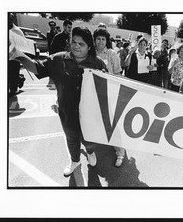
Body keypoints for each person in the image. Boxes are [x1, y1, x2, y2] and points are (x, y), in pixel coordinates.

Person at [16, 26, 108, 177]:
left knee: (90, 141)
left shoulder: (98, 63)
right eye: (74, 42)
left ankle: (90, 152)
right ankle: (75, 161)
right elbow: (37, 68)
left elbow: (108, 87)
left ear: (89, 46)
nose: (76, 46)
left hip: (91, 114)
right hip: (67, 111)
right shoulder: (58, 59)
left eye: (81, 44)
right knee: (71, 138)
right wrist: (19, 55)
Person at [93, 28, 125, 167]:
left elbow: (118, 73)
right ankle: (92, 148)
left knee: (114, 123)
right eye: (98, 38)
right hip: (93, 93)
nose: (100, 42)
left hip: (109, 92)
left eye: (103, 39)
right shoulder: (90, 53)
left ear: (107, 41)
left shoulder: (112, 54)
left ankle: (120, 152)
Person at [8, 13, 26, 97]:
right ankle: (19, 78)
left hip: (14, 57)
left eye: (9, 19)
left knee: (12, 80)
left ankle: (13, 89)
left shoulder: (17, 31)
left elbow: (22, 46)